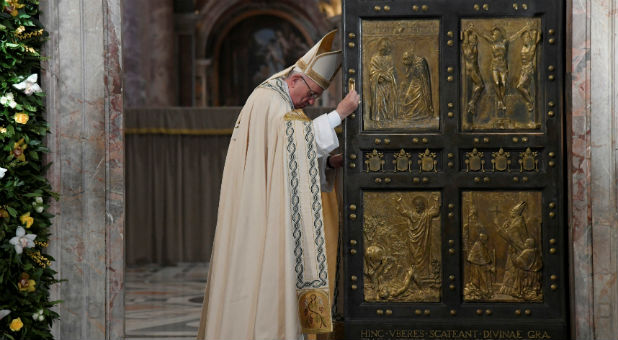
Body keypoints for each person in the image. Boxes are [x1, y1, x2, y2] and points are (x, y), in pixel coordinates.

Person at [197, 30, 360, 340]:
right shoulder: (271, 101)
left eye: (316, 98)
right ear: (295, 79)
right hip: (262, 210)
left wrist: (325, 163)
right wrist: (338, 114)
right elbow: (294, 143)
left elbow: (284, 157)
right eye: (311, 93)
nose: (311, 101)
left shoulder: (276, 99)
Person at [400, 49, 433, 121]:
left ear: (410, 57)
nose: (403, 62)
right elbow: (408, 75)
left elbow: (423, 78)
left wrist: (424, 89)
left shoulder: (419, 63)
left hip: (419, 84)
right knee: (407, 96)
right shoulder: (412, 63)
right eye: (403, 59)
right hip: (413, 82)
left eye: (405, 59)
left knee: (418, 99)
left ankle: (421, 114)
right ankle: (410, 114)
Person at [368, 38, 397, 121]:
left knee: (388, 102)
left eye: (385, 48)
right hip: (378, 85)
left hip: (388, 84)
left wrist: (385, 77)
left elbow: (391, 70)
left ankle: (389, 118)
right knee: (380, 103)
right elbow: (372, 71)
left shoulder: (389, 58)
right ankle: (380, 118)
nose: (383, 50)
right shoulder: (374, 58)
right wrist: (378, 77)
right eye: (382, 48)